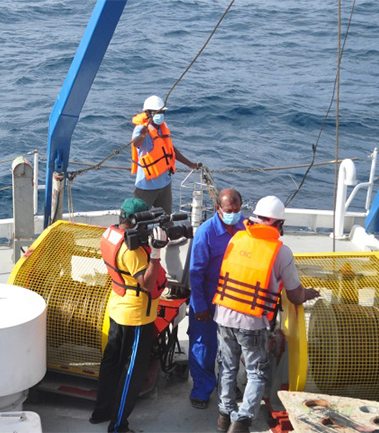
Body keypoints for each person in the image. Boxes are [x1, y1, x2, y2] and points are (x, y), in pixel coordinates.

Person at [213, 196, 320, 433]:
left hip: (223, 315)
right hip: (251, 321)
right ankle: (241, 422)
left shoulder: (237, 238)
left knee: (228, 367)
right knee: (257, 372)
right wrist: (309, 294)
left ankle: (223, 415)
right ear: (278, 223)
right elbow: (294, 295)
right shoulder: (281, 252)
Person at [90, 198, 169, 433]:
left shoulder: (110, 235)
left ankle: (101, 412)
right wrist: (155, 252)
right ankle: (118, 426)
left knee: (111, 364)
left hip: (117, 308)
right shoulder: (132, 251)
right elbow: (147, 283)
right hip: (136, 318)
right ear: (137, 221)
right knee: (131, 372)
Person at [187, 188, 246, 410]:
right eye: (230, 210)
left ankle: (226, 386)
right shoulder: (205, 233)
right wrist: (200, 307)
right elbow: (196, 273)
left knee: (230, 348)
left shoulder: (244, 228)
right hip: (207, 300)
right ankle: (201, 390)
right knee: (203, 347)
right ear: (218, 209)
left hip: (232, 301)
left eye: (238, 209)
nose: (235, 214)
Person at [131, 95, 202, 215]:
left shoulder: (163, 127)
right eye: (156, 112)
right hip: (147, 186)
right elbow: (136, 143)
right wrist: (143, 136)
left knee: (167, 219)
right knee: (139, 220)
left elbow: (170, 150)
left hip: (164, 184)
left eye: (162, 112)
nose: (160, 115)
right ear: (148, 113)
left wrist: (190, 164)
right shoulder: (141, 129)